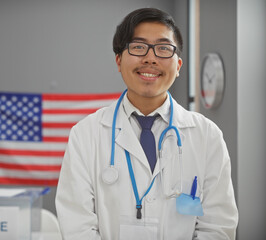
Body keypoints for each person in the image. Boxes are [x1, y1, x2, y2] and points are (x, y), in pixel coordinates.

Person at [56, 8, 238, 240]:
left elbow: (217, 227)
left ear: (179, 65)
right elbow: (76, 226)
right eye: (138, 47)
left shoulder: (207, 136)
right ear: (119, 60)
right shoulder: (85, 134)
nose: (150, 58)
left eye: (163, 48)